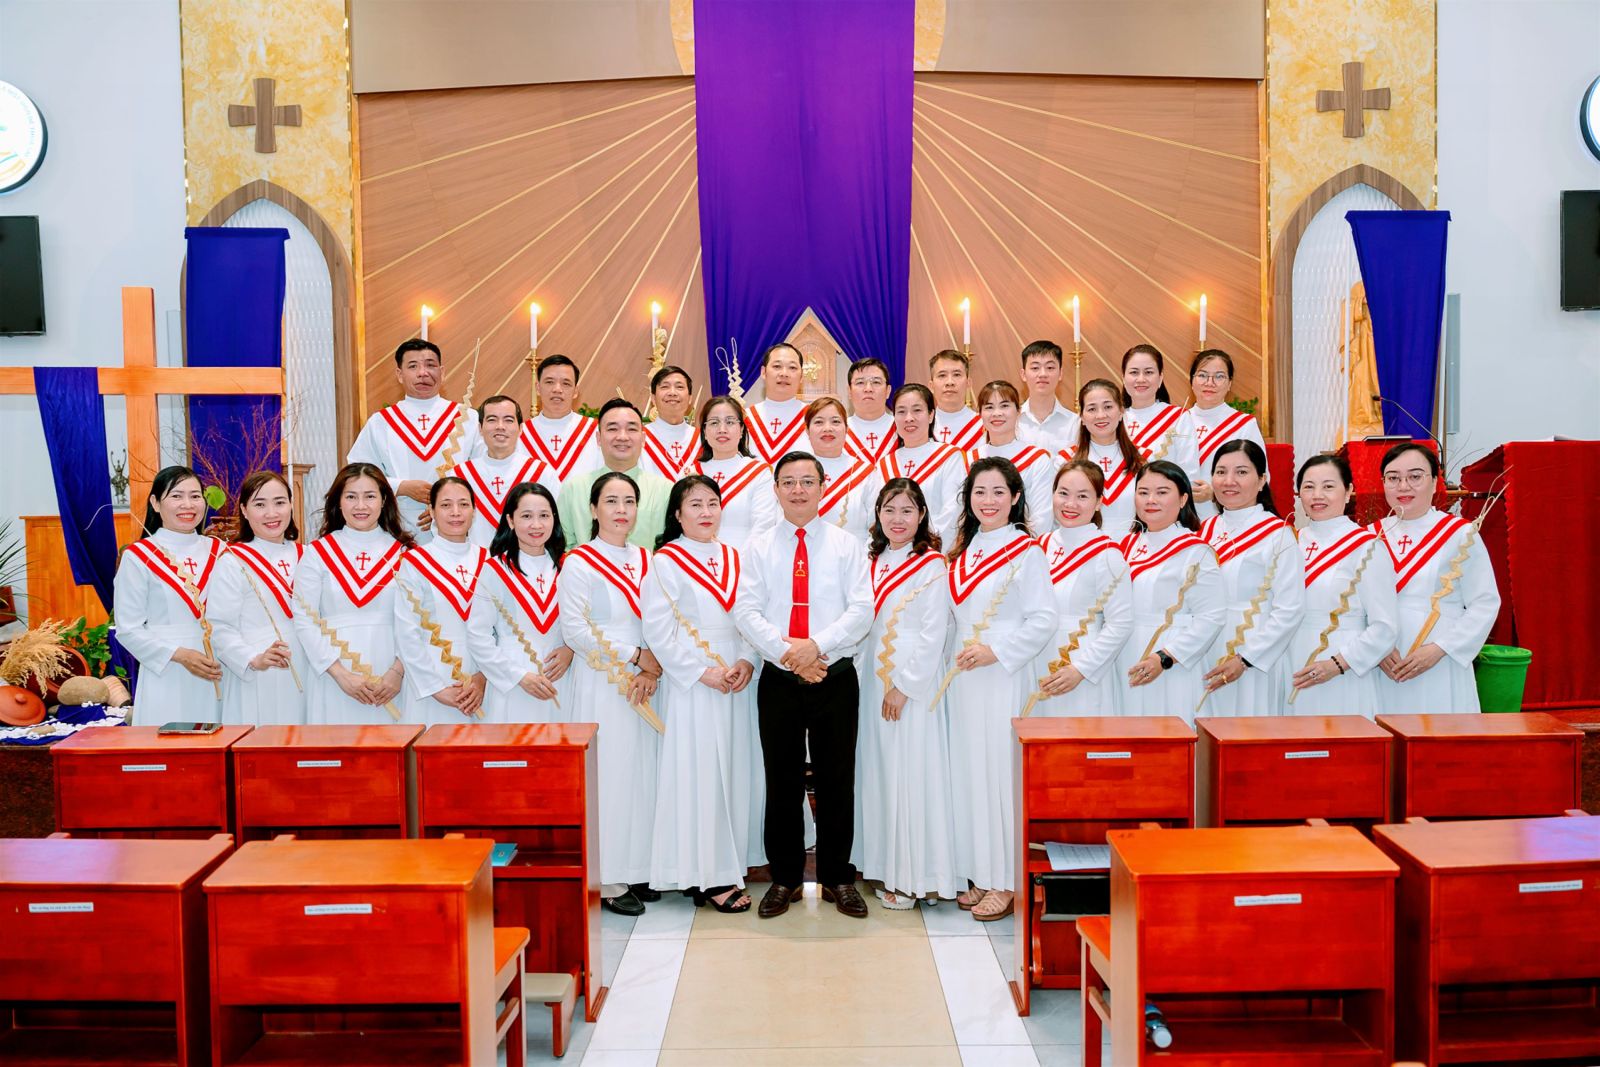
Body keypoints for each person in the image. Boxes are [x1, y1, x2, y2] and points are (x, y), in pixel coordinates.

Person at [733, 452, 873, 920]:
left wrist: (816, 647)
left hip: (835, 675)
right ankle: (786, 877)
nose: (798, 490)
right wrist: (788, 654)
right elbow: (746, 610)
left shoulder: (846, 545)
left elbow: (862, 610)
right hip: (779, 677)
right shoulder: (758, 547)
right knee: (782, 781)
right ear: (775, 489)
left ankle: (837, 877)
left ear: (822, 486)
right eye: (788, 482)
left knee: (837, 780)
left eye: (807, 481)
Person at [943, 458, 1056, 922]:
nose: (988, 501)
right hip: (964, 680)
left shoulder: (1026, 552)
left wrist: (997, 651)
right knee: (970, 774)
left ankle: (1007, 879)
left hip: (1003, 674)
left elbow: (1043, 619)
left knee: (1000, 776)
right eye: (979, 492)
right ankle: (980, 872)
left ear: (1015, 498)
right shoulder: (962, 551)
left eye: (997, 492)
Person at [644, 475, 761, 913]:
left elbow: (752, 615)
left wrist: (748, 659)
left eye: (713, 503)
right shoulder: (666, 562)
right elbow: (658, 630)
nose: (706, 512)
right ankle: (706, 876)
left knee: (734, 770)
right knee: (702, 775)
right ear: (677, 513)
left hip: (736, 677)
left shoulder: (734, 556)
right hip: (694, 681)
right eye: (695, 504)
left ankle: (732, 862)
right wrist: (700, 672)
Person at [559, 472, 663, 915]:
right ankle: (608, 878)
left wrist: (653, 665)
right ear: (593, 508)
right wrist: (635, 655)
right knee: (610, 776)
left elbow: (661, 618)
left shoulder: (648, 559)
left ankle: (639, 867)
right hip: (603, 681)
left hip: (646, 682)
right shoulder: (579, 562)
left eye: (629, 501)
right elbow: (575, 630)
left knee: (643, 774)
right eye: (611, 501)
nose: (622, 510)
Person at [852, 479, 956, 909]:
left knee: (911, 771)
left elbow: (934, 632)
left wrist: (905, 686)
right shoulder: (870, 561)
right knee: (880, 770)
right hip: (872, 675)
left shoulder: (931, 564)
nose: (898, 519)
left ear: (922, 516)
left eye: (907, 510)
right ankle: (884, 866)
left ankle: (916, 877)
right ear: (877, 514)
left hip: (913, 677)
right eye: (890, 510)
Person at [1374, 443, 1500, 713]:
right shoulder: (1370, 536)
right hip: (1383, 661)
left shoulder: (1459, 534)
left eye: (1415, 476)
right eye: (1393, 478)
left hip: (1440, 660)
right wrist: (1374, 647)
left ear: (1434, 483)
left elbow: (1485, 602)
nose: (1403, 486)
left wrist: (1440, 648)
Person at [291, 462, 413, 724]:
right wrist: (340, 674)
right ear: (338, 502)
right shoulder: (317, 553)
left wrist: (398, 672)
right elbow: (304, 618)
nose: (361, 506)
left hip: (391, 678)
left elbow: (418, 622)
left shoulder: (405, 554)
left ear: (384, 501)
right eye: (351, 497)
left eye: (370, 496)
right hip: (332, 676)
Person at [1197, 441, 1305, 716]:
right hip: (1204, 646)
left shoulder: (1278, 534)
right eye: (1221, 472)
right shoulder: (1205, 530)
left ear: (1261, 480)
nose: (1229, 481)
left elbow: (1290, 609)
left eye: (1241, 472)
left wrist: (1246, 659)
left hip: (1254, 651)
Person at [1288, 454, 1397, 718]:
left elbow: (1385, 627)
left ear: (1348, 491)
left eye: (1328, 486)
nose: (1317, 495)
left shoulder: (1367, 546)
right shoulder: (1290, 541)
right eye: (1309, 487)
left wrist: (1337, 664)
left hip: (1343, 666)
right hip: (1290, 659)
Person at [113, 465, 226, 720]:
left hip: (221, 665)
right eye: (176, 496)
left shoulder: (220, 550)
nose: (188, 504)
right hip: (168, 670)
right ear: (155, 503)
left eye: (195, 496)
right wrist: (181, 655)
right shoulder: (139, 557)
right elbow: (128, 629)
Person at [1117, 461, 1225, 721]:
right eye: (1143, 492)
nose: (1151, 500)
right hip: (1125, 654)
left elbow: (1212, 617)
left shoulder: (1195, 551)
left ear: (1183, 499)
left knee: (1169, 729)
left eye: (1162, 492)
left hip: (1172, 661)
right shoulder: (1126, 545)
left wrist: (1166, 657)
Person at [348, 339, 484, 540]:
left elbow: (483, 471)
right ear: (399, 374)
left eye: (430, 365)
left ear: (442, 372)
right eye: (413, 366)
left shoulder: (467, 418)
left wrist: (445, 506)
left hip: (456, 525)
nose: (423, 373)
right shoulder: (381, 422)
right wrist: (401, 487)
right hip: (396, 527)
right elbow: (356, 474)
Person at [1032, 461, 1134, 716]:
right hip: (1034, 658)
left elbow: (1121, 623)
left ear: (1099, 502)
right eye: (1063, 493)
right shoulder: (1039, 546)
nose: (1070, 504)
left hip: (1080, 661)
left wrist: (1081, 669)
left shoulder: (1107, 553)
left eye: (1082, 496)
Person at [466, 482, 573, 723]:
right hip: (512, 683)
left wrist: (571, 650)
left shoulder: (569, 566)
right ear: (511, 521)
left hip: (560, 679)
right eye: (526, 516)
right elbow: (478, 635)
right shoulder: (494, 569)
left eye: (544, 515)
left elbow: (584, 624)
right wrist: (518, 676)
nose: (536, 525)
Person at [211, 470, 306, 725]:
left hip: (309, 667)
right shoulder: (233, 561)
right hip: (260, 672)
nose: (271, 513)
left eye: (279, 502)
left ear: (291, 504)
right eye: (260, 504)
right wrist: (254, 659)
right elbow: (220, 627)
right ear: (244, 510)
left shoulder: (309, 555)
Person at [395, 477, 488, 723]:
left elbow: (500, 629)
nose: (456, 512)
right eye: (446, 505)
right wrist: (436, 689)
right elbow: (406, 632)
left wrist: (483, 678)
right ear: (432, 511)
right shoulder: (415, 562)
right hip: (431, 680)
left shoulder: (490, 561)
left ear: (474, 511)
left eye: (463, 504)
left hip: (482, 682)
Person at [857, 383, 968, 544]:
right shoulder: (885, 464)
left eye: (917, 410)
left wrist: (923, 548)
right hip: (891, 551)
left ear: (931, 415)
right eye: (901, 411)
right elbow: (877, 515)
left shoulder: (950, 457)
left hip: (932, 550)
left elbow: (953, 512)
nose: (909, 418)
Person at [555, 398, 672, 549]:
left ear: (643, 439)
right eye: (612, 429)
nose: (622, 437)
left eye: (631, 429)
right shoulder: (573, 488)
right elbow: (563, 548)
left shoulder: (665, 490)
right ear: (598, 438)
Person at [452, 394, 548, 549]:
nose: (500, 426)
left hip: (526, 561)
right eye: (492, 420)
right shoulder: (459, 476)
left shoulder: (542, 473)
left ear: (520, 428)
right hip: (475, 562)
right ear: (480, 428)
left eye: (509, 420)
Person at [692, 396, 777, 551]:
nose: (722, 429)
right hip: (695, 559)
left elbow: (763, 526)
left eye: (730, 422)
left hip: (744, 560)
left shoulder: (758, 473)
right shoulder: (691, 473)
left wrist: (735, 561)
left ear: (741, 429)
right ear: (704, 431)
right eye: (714, 423)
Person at [1182, 349, 1264, 506]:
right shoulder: (1177, 422)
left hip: (1224, 512)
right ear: (1192, 380)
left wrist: (1214, 494)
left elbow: (1259, 480)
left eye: (1219, 376)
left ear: (1230, 384)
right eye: (1202, 375)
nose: (1210, 383)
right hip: (1179, 513)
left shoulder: (1244, 424)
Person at [1064, 379, 1144, 537]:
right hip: (1083, 547)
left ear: (1121, 412)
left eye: (1108, 407)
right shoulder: (1065, 461)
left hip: (1135, 545)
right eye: (1092, 409)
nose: (1100, 415)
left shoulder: (1144, 459)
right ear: (1082, 417)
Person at [975, 380, 1056, 529]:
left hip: (1023, 541)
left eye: (1004, 406)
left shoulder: (1037, 460)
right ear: (980, 414)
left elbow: (1041, 519)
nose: (997, 413)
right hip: (978, 541)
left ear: (1018, 411)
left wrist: (1017, 543)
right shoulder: (969, 460)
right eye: (989, 407)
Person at [519, 354, 600, 491]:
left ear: (575, 391)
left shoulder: (595, 431)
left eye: (566, 383)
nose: (557, 389)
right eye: (549, 382)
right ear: (537, 388)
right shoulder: (520, 433)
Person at [1120, 344, 1198, 481]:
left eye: (1149, 372)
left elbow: (1189, 473)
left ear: (1160, 377)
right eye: (1134, 372)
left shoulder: (1178, 418)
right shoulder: (1115, 418)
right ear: (1123, 378)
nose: (1141, 379)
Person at [805, 396, 873, 536]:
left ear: (846, 429)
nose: (827, 428)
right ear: (807, 430)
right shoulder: (794, 471)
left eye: (835, 421)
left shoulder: (866, 473)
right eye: (819, 422)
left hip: (855, 549)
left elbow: (875, 525)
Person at [745, 343, 810, 464]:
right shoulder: (745, 418)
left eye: (792, 368)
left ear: (801, 376)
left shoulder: (814, 417)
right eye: (777, 366)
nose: (784, 373)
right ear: (763, 372)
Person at [1016, 340, 1080, 453]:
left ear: (1060, 373)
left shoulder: (1075, 423)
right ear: (1023, 374)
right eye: (1035, 368)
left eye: (1050, 368)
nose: (1043, 374)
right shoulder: (1013, 422)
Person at [642, 365, 698, 480]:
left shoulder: (703, 439)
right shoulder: (639, 438)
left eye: (679, 387)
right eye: (665, 387)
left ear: (690, 398)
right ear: (653, 398)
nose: (672, 393)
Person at [928, 349, 983, 451]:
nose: (950, 382)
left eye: (957, 374)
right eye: (942, 375)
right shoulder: (922, 426)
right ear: (931, 386)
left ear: (968, 383)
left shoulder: (984, 426)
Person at [845, 357, 896, 464]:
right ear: (849, 391)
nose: (868, 389)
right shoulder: (839, 431)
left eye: (876, 382)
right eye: (860, 382)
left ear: (888, 391)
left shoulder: (901, 428)